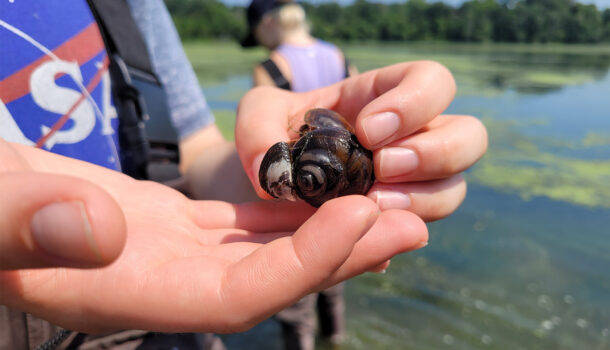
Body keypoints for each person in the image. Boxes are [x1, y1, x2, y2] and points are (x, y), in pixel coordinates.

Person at [0, 0, 488, 350]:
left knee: (305, 295)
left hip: (302, 216)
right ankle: (336, 337)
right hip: (310, 211)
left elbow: (199, 150)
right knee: (329, 285)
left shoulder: (134, 12)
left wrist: (257, 160)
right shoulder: (337, 53)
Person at [241, 1, 353, 348]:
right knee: (334, 279)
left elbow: (269, 133)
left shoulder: (270, 67)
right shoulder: (338, 56)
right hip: (340, 185)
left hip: (296, 198)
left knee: (296, 300)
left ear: (269, 23)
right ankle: (336, 339)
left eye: (257, 32)